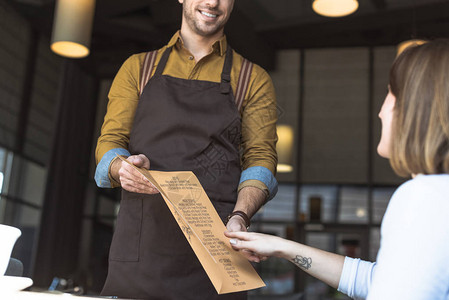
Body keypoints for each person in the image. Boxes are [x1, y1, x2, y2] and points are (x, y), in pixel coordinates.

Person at [226, 39, 449, 300]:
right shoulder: (438, 195)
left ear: (415, 108)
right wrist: (280, 246)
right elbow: (373, 280)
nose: (381, 111)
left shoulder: (423, 196)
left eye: (391, 93)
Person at [94, 0, 278, 299]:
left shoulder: (252, 78)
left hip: (218, 250)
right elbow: (110, 141)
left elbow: (260, 158)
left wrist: (241, 216)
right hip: (143, 245)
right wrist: (120, 167)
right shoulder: (138, 67)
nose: (212, 2)